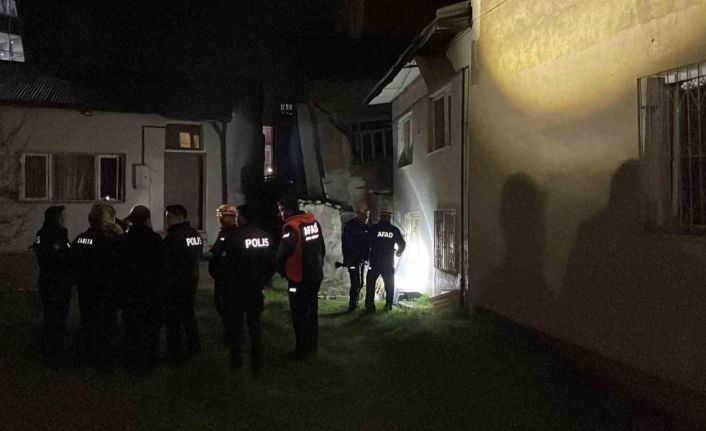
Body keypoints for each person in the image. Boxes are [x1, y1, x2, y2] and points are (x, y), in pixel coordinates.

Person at [219, 204, 273, 374]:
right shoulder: (264, 236)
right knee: (255, 325)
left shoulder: (234, 236)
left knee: (236, 326)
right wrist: (262, 281)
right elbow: (270, 264)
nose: (236, 219)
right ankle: (257, 362)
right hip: (255, 289)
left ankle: (236, 361)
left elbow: (224, 264)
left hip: (236, 289)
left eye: (237, 216)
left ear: (242, 217)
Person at [71, 203, 124, 365]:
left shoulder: (80, 239)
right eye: (111, 219)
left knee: (88, 320)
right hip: (106, 290)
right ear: (107, 221)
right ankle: (104, 359)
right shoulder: (108, 241)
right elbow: (124, 257)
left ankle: (86, 355)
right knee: (107, 324)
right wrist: (120, 235)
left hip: (86, 289)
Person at [275, 195, 325, 359]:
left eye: (281, 210)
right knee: (312, 311)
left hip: (298, 278)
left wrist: (283, 272)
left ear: (288, 210)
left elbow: (281, 255)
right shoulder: (314, 223)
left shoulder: (292, 228)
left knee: (299, 314)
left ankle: (301, 350)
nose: (280, 214)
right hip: (315, 275)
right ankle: (312, 346)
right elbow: (322, 248)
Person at [116, 205, 163, 373]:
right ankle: (150, 360)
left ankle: (133, 361)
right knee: (151, 329)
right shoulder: (155, 239)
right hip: (151, 292)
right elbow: (161, 267)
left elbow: (119, 267)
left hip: (130, 292)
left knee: (132, 329)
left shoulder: (124, 240)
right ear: (147, 219)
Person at [162, 204, 203, 359]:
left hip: (175, 283)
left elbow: (165, 261)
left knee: (173, 320)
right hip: (191, 281)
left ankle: (174, 352)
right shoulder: (195, 235)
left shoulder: (173, 238)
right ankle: (194, 346)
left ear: (179, 217)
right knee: (188, 315)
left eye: (169, 218)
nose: (167, 221)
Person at [33, 205, 73, 360]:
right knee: (57, 315)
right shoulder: (56, 234)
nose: (66, 219)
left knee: (51, 314)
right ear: (57, 218)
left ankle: (49, 346)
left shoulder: (42, 234)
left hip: (48, 281)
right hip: (57, 282)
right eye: (63, 216)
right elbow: (62, 257)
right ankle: (55, 349)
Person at [365, 208, 405, 313]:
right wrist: (398, 252)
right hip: (388, 262)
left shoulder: (373, 229)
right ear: (389, 217)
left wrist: (367, 256)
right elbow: (402, 244)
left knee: (370, 285)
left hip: (374, 262)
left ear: (381, 217)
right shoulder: (394, 230)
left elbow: (366, 243)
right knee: (389, 285)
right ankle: (388, 306)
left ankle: (369, 306)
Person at [208, 204, 239, 324]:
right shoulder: (223, 232)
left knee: (229, 306)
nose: (220, 218)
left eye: (224, 216)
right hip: (220, 276)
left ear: (233, 217)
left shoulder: (234, 234)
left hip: (228, 277)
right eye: (220, 216)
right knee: (220, 304)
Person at [341, 207, 370, 312]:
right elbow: (345, 244)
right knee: (355, 282)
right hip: (352, 259)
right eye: (365, 216)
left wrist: (366, 257)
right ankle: (352, 303)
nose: (366, 218)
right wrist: (347, 259)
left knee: (361, 282)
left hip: (361, 259)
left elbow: (367, 244)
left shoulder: (366, 227)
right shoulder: (350, 226)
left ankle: (355, 301)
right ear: (359, 215)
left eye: (367, 216)